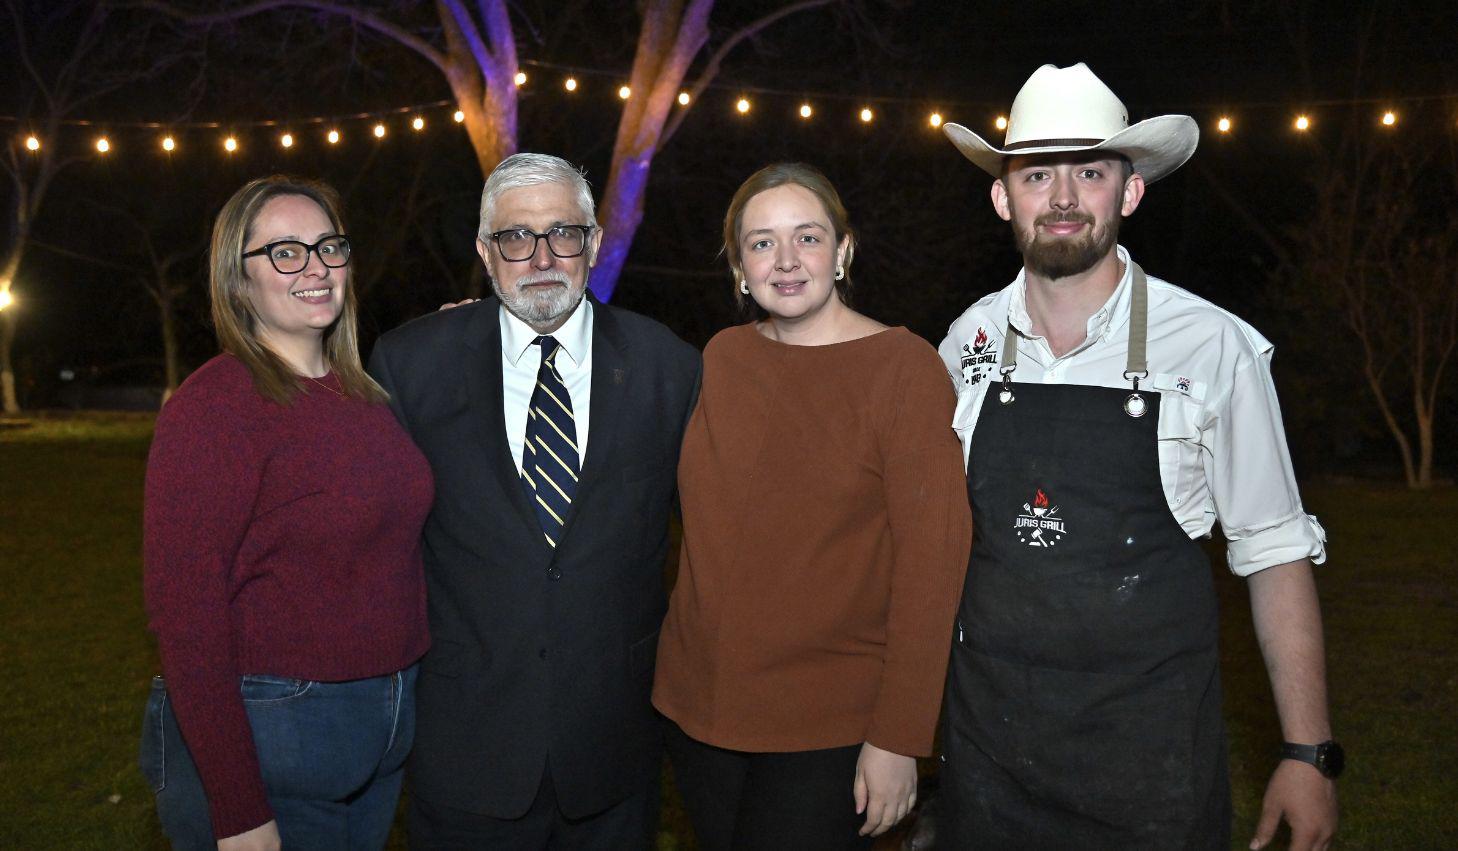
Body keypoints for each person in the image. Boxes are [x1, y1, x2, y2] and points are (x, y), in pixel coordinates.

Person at [935, 63, 1340, 850]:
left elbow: (1275, 552)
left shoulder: (1214, 347)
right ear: (1001, 197)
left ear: (1129, 193)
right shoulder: (965, 341)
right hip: (988, 756)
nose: (1061, 198)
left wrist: (1305, 751)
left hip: (1149, 765)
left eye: (1089, 172)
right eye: (1037, 173)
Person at [367, 152, 701, 850]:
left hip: (613, 750)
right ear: (487, 253)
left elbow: (717, 537)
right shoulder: (411, 364)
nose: (542, 256)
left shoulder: (667, 366)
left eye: (564, 233)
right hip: (466, 749)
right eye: (517, 237)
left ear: (595, 243)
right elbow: (370, 547)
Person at [653, 163, 972, 850]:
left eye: (808, 237)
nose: (787, 260)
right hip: (695, 714)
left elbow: (933, 565)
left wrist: (898, 736)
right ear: (739, 266)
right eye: (762, 243)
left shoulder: (904, 369)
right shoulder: (722, 357)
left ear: (844, 251)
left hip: (827, 727)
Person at [140, 175, 433, 850]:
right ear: (237, 280)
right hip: (275, 739)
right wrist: (238, 809)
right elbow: (186, 616)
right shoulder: (214, 409)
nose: (317, 267)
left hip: (378, 737)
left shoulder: (366, 397)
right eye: (285, 252)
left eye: (329, 246)